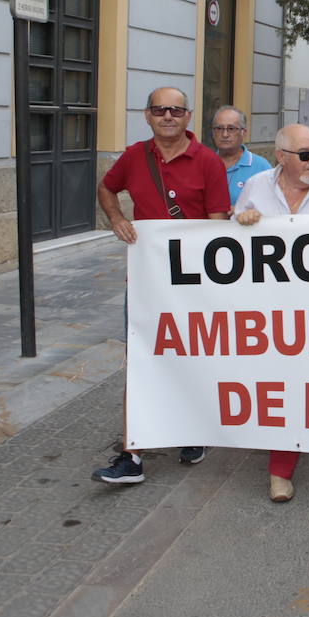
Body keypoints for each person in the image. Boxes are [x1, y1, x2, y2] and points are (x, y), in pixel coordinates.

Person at [91, 87, 230, 485]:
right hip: (145, 283)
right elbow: (106, 188)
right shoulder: (134, 157)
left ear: (188, 117)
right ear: (147, 115)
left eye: (175, 110)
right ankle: (131, 453)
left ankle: (193, 431)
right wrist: (116, 218)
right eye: (159, 110)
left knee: (191, 357)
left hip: (193, 284)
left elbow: (218, 224)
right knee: (139, 362)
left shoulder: (207, 163)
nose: (167, 116)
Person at [233, 124, 309, 502]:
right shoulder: (255, 188)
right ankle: (279, 470)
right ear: (281, 157)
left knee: (306, 386)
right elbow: (230, 242)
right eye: (306, 155)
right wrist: (243, 222)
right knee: (281, 386)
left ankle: (299, 449)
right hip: (269, 310)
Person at [210, 106, 270, 206]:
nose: (225, 134)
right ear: (213, 132)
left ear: (243, 132)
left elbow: (272, 206)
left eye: (231, 129)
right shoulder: (205, 163)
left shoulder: (260, 166)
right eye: (219, 128)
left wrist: (242, 212)